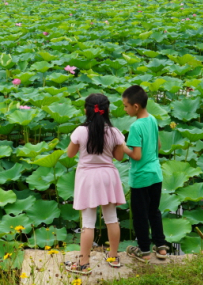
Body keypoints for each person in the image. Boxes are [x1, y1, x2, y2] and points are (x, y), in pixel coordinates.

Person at [65, 93, 126, 274]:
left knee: (88, 223)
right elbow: (119, 157)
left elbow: (70, 154)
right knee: (112, 218)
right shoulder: (115, 132)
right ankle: (113, 257)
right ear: (108, 110)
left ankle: (83, 263)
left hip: (88, 178)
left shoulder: (81, 131)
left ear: (86, 110)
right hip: (108, 176)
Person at [121, 85, 170, 261]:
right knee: (154, 211)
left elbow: (136, 155)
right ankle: (161, 247)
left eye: (125, 106)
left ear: (135, 107)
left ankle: (144, 251)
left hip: (141, 177)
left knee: (140, 216)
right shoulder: (152, 119)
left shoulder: (135, 127)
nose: (124, 109)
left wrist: (122, 146)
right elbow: (158, 146)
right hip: (155, 174)